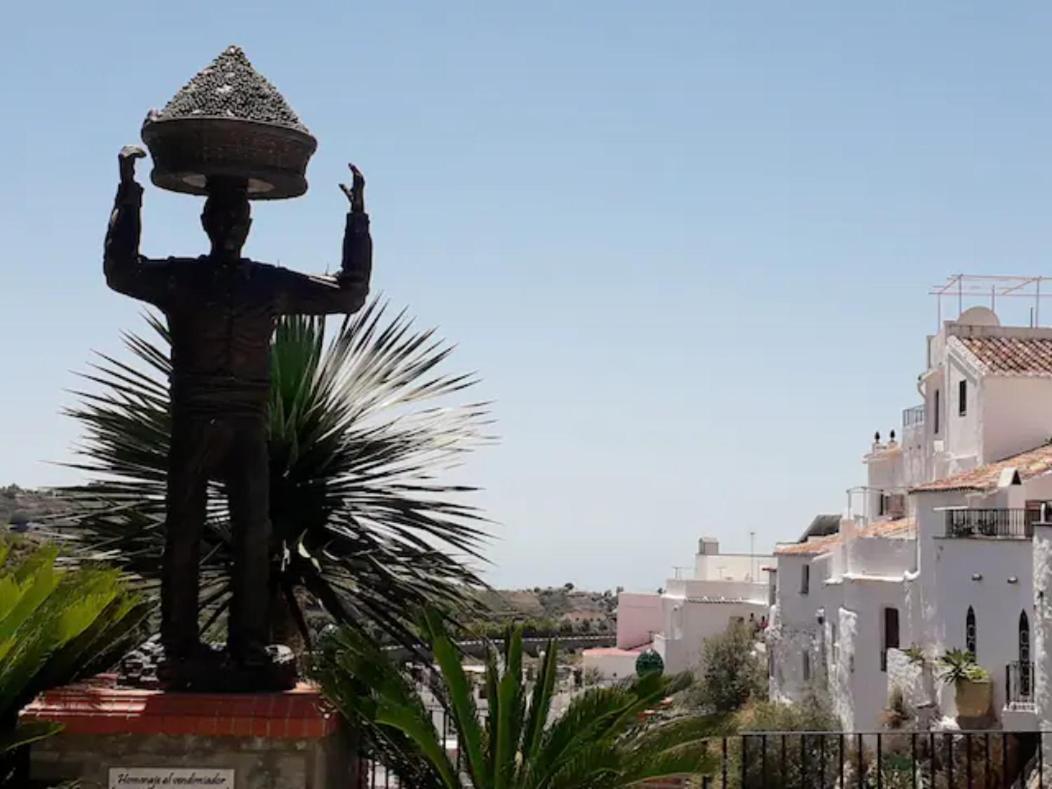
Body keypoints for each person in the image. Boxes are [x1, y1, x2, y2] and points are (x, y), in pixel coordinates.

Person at [104, 146, 372, 681]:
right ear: (206, 221)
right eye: (221, 216)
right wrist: (128, 192)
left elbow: (349, 293)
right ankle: (179, 644)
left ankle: (249, 645)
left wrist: (357, 219)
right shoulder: (182, 277)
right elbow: (119, 269)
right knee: (182, 532)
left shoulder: (267, 282)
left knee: (255, 533)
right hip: (195, 417)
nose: (229, 225)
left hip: (247, 421)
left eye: (238, 217)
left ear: (248, 223)